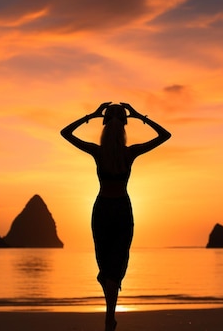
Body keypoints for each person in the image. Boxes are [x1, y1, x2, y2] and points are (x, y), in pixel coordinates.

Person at [61, 102, 171, 331]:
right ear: (124, 128)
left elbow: (65, 133)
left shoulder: (97, 152)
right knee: (116, 264)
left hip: (102, 209)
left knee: (105, 264)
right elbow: (165, 135)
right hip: (121, 209)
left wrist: (90, 116)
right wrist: (141, 116)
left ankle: (110, 314)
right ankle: (109, 316)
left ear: (104, 126)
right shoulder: (130, 152)